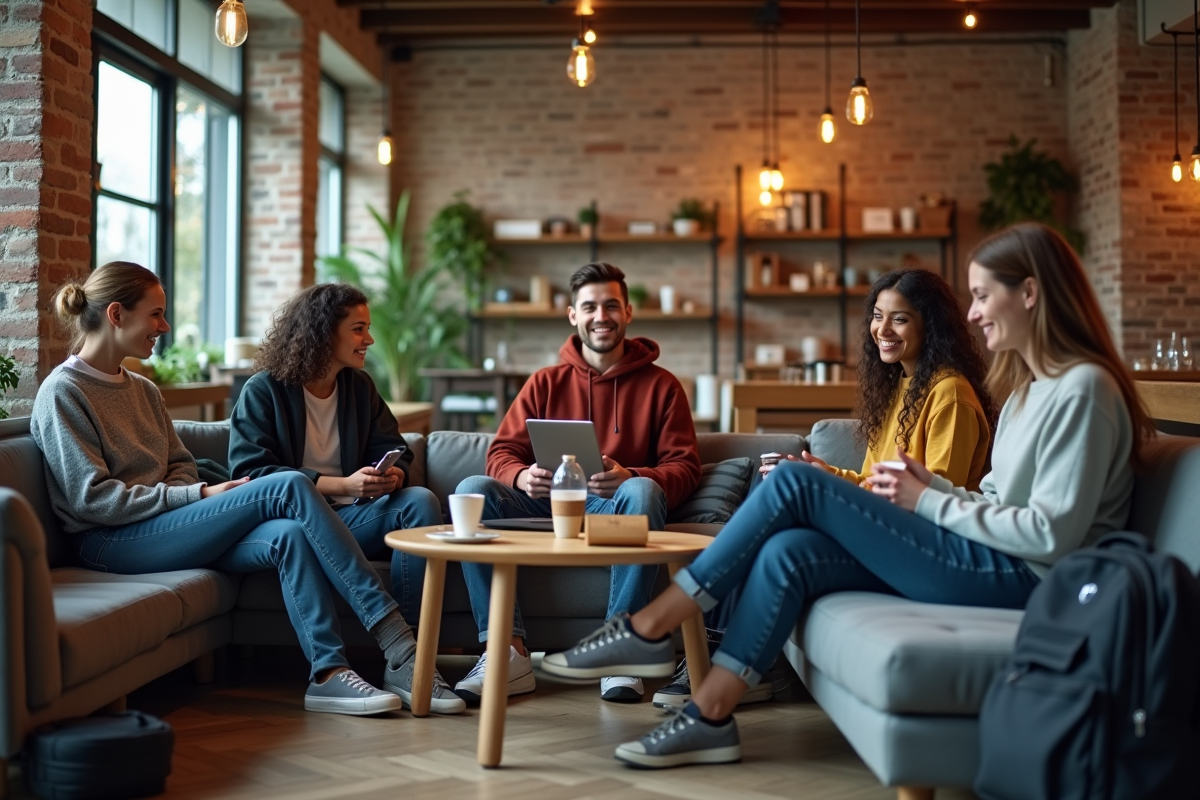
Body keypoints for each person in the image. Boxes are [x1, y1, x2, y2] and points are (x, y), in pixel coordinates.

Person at [540, 223, 1154, 768]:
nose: (972, 313)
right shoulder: (1027, 390)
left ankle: (650, 624)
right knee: (792, 554)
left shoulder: (1084, 390)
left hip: (1035, 580)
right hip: (991, 556)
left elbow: (1053, 534)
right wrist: (931, 487)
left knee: (801, 481)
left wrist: (929, 501)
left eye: (983, 295)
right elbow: (992, 494)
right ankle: (709, 717)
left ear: (1031, 293)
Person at [31, 262, 463, 718]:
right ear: (116, 314)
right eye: (156, 314)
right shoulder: (64, 391)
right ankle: (402, 647)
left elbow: (180, 464)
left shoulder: (142, 389)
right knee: (289, 486)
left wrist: (185, 495)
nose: (165, 325)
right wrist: (195, 498)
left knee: (288, 536)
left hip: (165, 525)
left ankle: (328, 674)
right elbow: (93, 499)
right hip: (108, 540)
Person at [651, 266, 996, 709]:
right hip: (889, 527)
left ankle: (718, 643)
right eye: (877, 315)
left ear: (932, 323)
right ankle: (733, 651)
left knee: (784, 499)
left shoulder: (949, 393)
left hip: (922, 542)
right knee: (773, 482)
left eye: (900, 318)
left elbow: (927, 499)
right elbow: (877, 481)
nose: (882, 330)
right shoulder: (901, 388)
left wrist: (824, 488)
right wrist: (825, 472)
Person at [453, 262, 701, 705]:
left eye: (610, 305)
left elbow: (684, 468)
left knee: (641, 493)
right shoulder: (544, 382)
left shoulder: (663, 387)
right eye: (589, 307)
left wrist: (633, 476)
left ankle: (621, 650)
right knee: (475, 487)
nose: (600, 316)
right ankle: (506, 652)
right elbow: (499, 455)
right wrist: (521, 475)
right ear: (573, 316)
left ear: (627, 311)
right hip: (545, 510)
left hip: (613, 513)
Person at [226, 282, 463, 713]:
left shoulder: (359, 387)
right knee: (294, 527)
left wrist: (390, 475)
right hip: (293, 524)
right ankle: (341, 668)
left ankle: (406, 658)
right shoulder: (263, 390)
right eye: (358, 329)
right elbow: (249, 473)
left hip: (353, 519)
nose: (368, 339)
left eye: (367, 329)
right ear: (323, 332)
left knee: (420, 501)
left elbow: (397, 447)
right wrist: (342, 485)